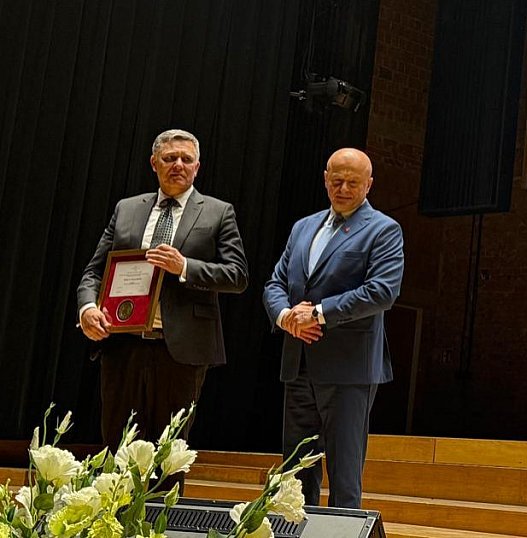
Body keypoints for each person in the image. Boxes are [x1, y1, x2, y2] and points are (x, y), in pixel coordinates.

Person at [77, 128, 248, 452]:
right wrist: (87, 308)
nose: (178, 165)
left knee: (168, 452)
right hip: (122, 344)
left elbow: (237, 275)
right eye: (170, 158)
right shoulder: (127, 209)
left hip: (181, 349)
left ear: (197, 167)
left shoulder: (218, 212)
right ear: (154, 163)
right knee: (116, 447)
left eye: (186, 159)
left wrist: (184, 266)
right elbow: (94, 272)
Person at [263, 148, 404, 508]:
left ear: (369, 184)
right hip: (299, 364)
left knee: (344, 477)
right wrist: (286, 317)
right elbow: (275, 283)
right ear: (325, 179)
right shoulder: (303, 227)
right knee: (294, 476)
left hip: (348, 369)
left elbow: (382, 291)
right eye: (337, 180)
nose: (343, 189)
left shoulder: (383, 230)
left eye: (353, 183)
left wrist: (318, 314)